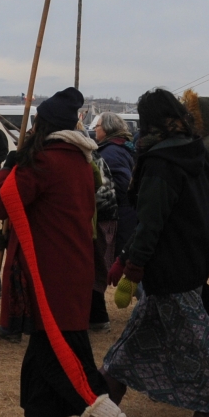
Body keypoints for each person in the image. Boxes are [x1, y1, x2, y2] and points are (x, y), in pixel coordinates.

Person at [0, 87, 140, 417]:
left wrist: (10, 166)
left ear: (42, 126)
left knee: (60, 359)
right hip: (71, 269)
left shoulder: (43, 162)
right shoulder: (80, 160)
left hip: (49, 274)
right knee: (42, 358)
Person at [102, 88, 209, 417]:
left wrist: (133, 265)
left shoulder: (162, 162)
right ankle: (104, 400)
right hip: (193, 254)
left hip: (169, 262)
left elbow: (152, 220)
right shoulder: (194, 151)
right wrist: (126, 257)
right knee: (139, 335)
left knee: (195, 338)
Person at [88, 113, 134, 329]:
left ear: (106, 129)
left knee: (120, 263)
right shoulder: (120, 147)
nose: (94, 130)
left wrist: (109, 195)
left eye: (97, 126)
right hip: (121, 212)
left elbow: (124, 183)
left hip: (118, 214)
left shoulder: (110, 152)